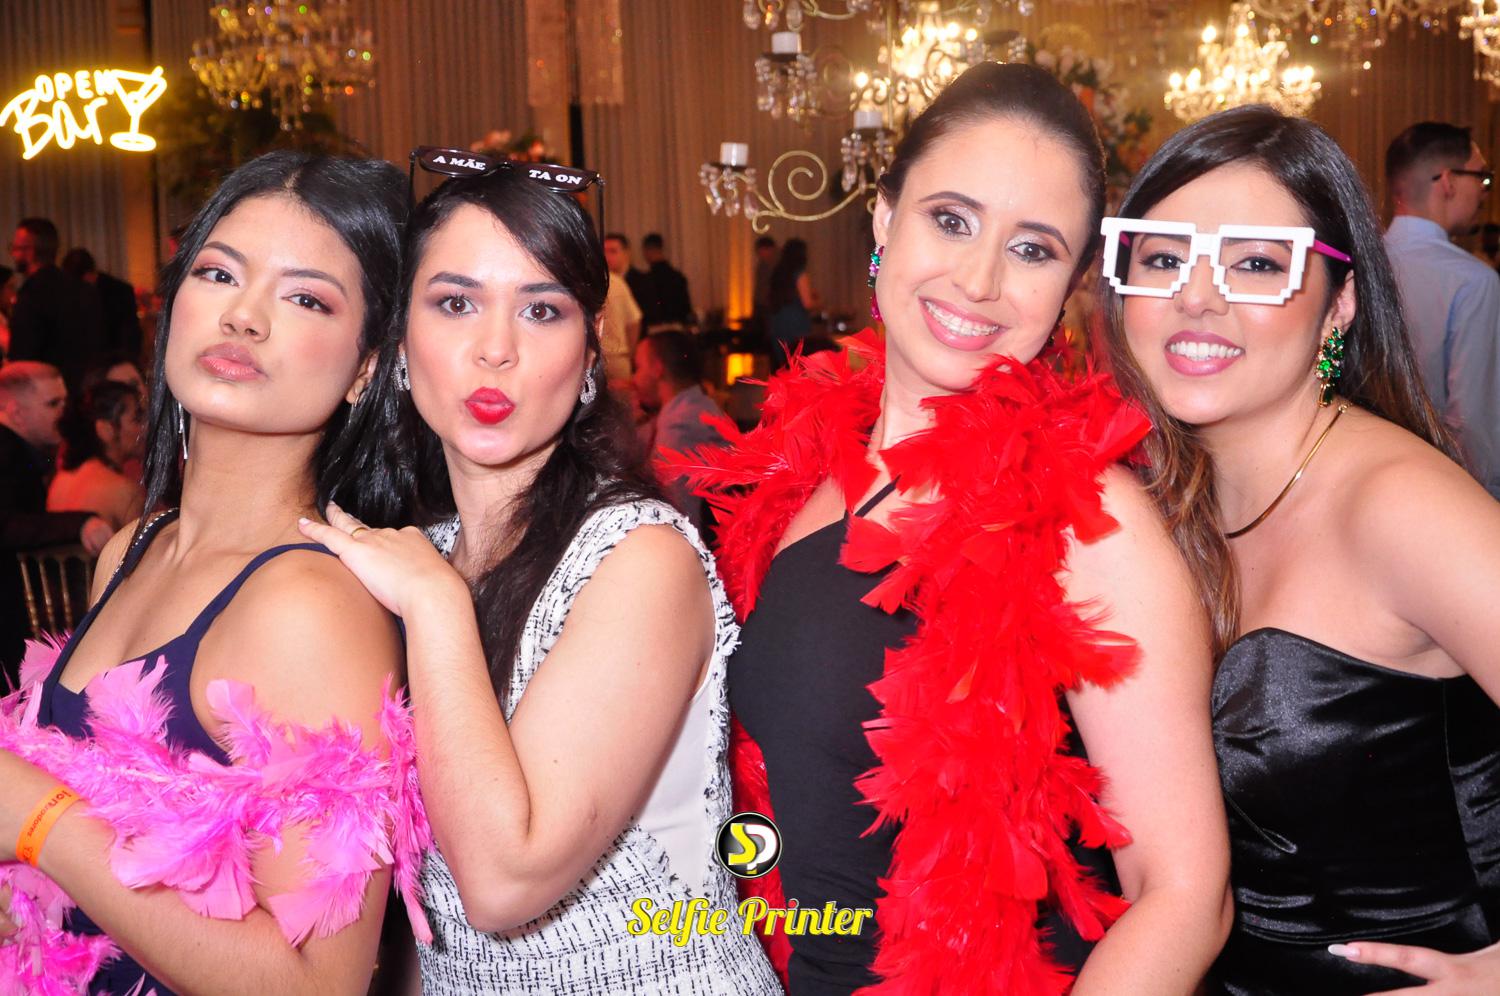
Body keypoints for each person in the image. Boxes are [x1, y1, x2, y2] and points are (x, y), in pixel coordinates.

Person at [672, 62, 1231, 993]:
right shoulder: (809, 475)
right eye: (952, 220)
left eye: (1033, 249)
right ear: (885, 218)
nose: (979, 280)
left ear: (1073, 284)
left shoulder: (1090, 523)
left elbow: (1183, 895)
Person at [297, 156, 780, 994]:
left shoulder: (638, 555)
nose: (496, 349)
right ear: (400, 342)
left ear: (591, 350)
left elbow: (503, 880)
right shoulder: (420, 551)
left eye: (542, 310)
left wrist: (436, 604)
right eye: (456, 303)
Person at [1099, 104, 1500, 995]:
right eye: (1162, 259)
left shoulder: (1399, 506)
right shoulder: (1153, 502)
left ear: (1338, 307)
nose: (1198, 297)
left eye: (1255, 264)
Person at [0, 151, 421, 995]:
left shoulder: (310, 604)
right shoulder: (133, 549)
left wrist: (43, 824)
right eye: (219, 273)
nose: (244, 316)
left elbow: (319, 982)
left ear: (366, 368)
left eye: (305, 298)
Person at [1383, 122, 1500, 498]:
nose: (1484, 192)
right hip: (1444, 486)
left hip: (1362, 470)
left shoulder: (1357, 264)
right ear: (1448, 181)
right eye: (1482, 177)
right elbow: (1471, 419)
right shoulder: (1472, 280)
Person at [0, 362, 113, 682]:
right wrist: (80, 523)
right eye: (53, 404)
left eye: (65, 402)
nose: (64, 414)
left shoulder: (19, 450)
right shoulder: (6, 450)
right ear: (16, 412)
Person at [633, 330, 723, 534]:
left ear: (657, 368)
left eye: (638, 368)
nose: (634, 379)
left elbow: (680, 515)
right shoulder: (695, 406)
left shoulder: (680, 425)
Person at [8, 218, 106, 392]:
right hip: (86, 389)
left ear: (29, 251)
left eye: (15, 248)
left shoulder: (31, 294)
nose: (13, 255)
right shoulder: (83, 289)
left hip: (47, 390)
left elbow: (22, 356)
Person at [47, 380, 146, 529]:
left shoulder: (60, 481)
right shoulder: (124, 492)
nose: (145, 426)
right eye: (137, 419)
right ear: (106, 430)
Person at [61, 248, 142, 361]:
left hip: (116, 359)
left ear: (88, 275)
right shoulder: (120, 290)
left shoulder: (119, 293)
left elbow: (130, 337)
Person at [765, 237, 821, 368]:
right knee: (798, 363)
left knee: (783, 363)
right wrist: (819, 303)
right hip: (795, 322)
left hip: (778, 320)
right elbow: (807, 303)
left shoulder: (778, 272)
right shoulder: (800, 273)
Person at [601, 233, 644, 387]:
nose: (607, 256)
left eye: (613, 251)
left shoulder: (637, 281)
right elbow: (634, 321)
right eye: (604, 251)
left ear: (626, 253)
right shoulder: (612, 281)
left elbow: (636, 322)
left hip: (624, 356)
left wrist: (632, 354)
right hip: (610, 358)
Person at [628, 232, 694, 330]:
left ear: (647, 250)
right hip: (678, 328)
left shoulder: (647, 279)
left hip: (656, 328)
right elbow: (686, 308)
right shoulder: (678, 277)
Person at [749, 234, 778, 338]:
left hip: (770, 305)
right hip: (761, 304)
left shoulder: (777, 264)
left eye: (761, 251)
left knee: (769, 334)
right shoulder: (762, 264)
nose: (759, 254)